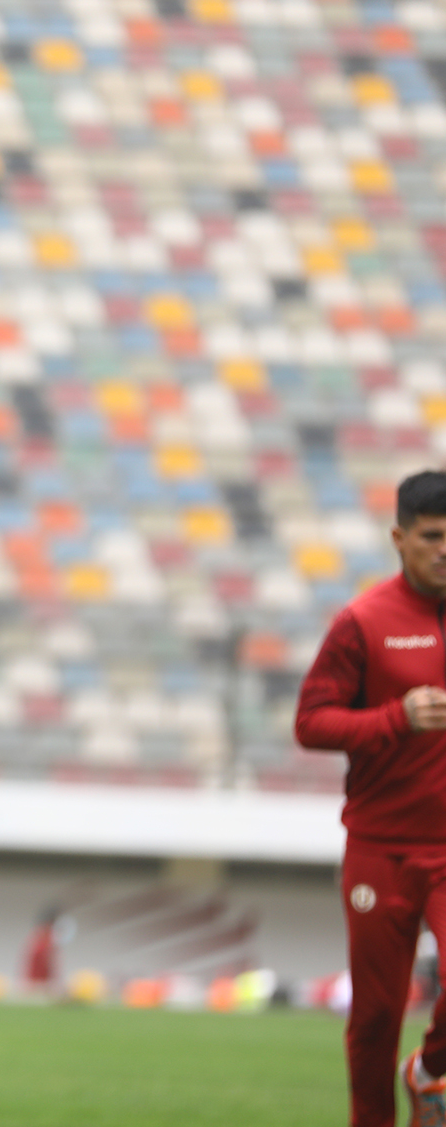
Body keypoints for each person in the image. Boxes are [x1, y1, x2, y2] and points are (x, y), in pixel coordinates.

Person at [297, 469, 446, 1127]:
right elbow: (311, 723)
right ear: (399, 538)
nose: (445, 550)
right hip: (380, 848)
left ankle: (430, 1072)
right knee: (377, 1014)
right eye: (432, 537)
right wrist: (395, 717)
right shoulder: (362, 621)